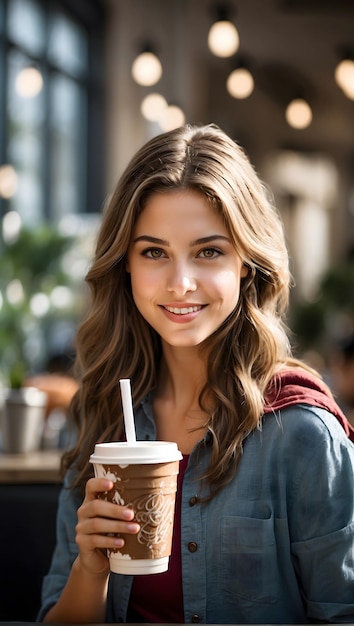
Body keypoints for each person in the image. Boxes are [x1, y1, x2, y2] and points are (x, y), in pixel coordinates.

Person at [38, 124, 354, 624]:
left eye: (209, 251)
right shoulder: (101, 416)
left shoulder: (303, 434)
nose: (180, 283)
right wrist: (91, 570)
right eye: (154, 252)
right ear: (125, 265)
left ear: (246, 263)